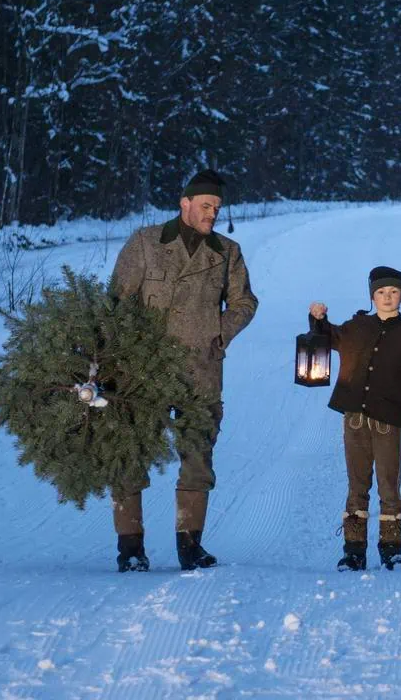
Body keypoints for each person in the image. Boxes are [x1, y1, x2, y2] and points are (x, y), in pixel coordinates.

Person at [108, 169, 259, 572]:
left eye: (217, 207)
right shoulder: (146, 243)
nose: (212, 213)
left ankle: (190, 546)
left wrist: (219, 333)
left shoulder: (226, 252)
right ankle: (130, 549)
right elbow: (117, 301)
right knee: (131, 452)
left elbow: (245, 302)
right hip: (145, 369)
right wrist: (119, 354)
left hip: (201, 369)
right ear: (185, 203)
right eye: (206, 205)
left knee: (198, 457)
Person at [308, 266, 401, 571]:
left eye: (394, 292)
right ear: (372, 296)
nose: (387, 297)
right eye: (381, 292)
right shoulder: (357, 326)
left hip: (389, 421)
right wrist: (318, 319)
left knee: (389, 486)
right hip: (355, 419)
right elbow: (328, 336)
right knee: (357, 484)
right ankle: (353, 550)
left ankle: (392, 549)